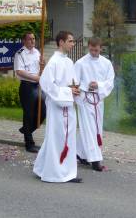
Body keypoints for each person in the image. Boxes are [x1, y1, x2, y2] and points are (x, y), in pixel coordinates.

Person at [33, 31, 82, 183]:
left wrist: (75, 90)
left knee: (66, 138)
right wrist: (67, 91)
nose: (73, 44)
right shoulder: (53, 62)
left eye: (73, 41)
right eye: (70, 41)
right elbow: (46, 84)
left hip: (68, 105)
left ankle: (44, 168)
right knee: (57, 138)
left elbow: (72, 81)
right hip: (57, 106)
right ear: (61, 42)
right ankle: (56, 172)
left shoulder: (68, 62)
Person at [75, 37, 115, 172]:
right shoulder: (80, 63)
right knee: (90, 129)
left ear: (100, 48)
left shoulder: (107, 63)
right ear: (88, 47)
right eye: (91, 49)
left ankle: (80, 153)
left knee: (95, 128)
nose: (93, 52)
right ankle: (95, 160)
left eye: (96, 50)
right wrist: (87, 86)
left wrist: (98, 85)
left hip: (98, 100)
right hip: (85, 100)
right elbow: (74, 82)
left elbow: (110, 82)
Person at [14, 32, 46, 153]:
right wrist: (36, 78)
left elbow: (40, 69)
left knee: (43, 111)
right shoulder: (20, 54)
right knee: (29, 114)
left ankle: (26, 129)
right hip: (27, 86)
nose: (33, 41)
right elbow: (20, 71)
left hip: (37, 86)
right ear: (24, 41)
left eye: (34, 39)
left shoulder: (37, 52)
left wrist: (43, 65)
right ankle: (29, 143)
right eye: (30, 39)